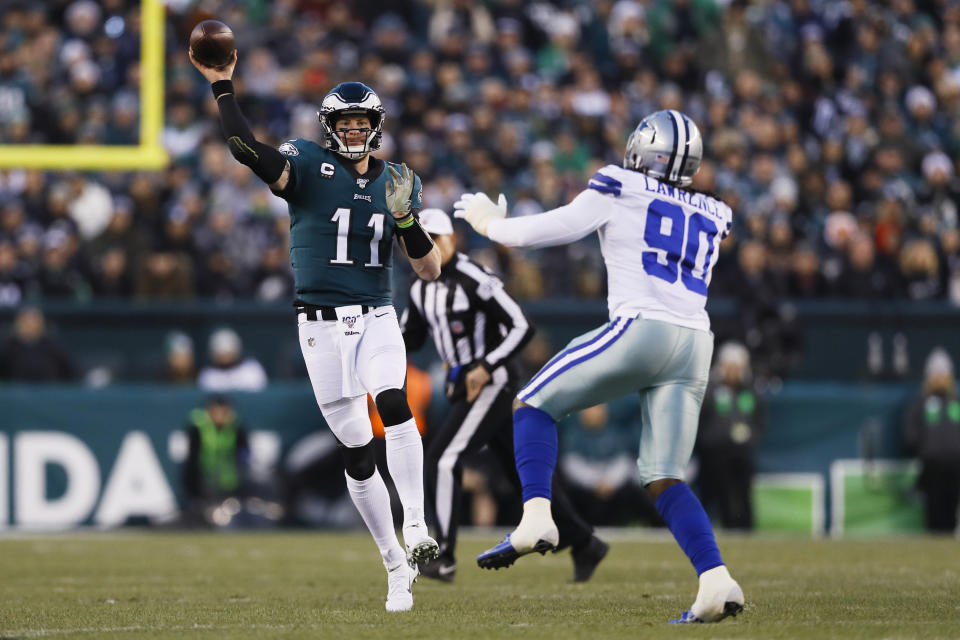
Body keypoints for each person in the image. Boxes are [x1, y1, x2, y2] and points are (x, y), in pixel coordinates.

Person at [455, 110, 744, 623]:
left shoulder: (621, 184)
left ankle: (537, 517)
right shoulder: (711, 210)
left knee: (531, 402)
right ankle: (716, 580)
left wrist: (492, 225)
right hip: (696, 341)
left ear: (643, 150)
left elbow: (547, 231)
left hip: (643, 329)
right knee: (664, 477)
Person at [191, 47, 442, 612]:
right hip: (320, 326)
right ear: (330, 128)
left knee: (395, 402)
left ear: (376, 127)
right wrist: (223, 85)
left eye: (362, 123)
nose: (355, 132)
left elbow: (429, 269)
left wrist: (406, 219)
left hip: (377, 315)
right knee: (356, 451)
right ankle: (395, 566)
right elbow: (243, 149)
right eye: (346, 123)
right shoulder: (306, 164)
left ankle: (420, 526)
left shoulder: (400, 180)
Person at [401, 209, 608, 584]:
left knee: (443, 459)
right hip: (467, 388)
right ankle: (584, 542)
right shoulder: (418, 288)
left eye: (436, 239)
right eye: (419, 240)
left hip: (494, 384)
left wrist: (484, 365)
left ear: (452, 240)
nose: (427, 247)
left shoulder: (474, 278)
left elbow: (521, 326)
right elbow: (409, 338)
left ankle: (444, 556)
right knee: (519, 474)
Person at [696, 341, 763, 531]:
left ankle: (747, 528)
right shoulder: (711, 391)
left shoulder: (751, 391)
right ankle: (725, 527)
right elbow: (703, 420)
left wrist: (751, 437)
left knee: (744, 493)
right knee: (720, 494)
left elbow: (759, 420)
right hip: (716, 454)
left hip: (743, 453)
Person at [904, 348, 960, 533]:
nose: (940, 378)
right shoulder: (920, 405)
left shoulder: (956, 403)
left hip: (956, 468)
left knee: (951, 511)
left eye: (944, 373)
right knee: (934, 511)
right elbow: (911, 435)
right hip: (932, 467)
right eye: (936, 373)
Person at [182, 394, 251, 524]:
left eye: (223, 411)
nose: (220, 415)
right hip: (205, 480)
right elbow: (191, 460)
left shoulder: (237, 429)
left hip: (231, 481)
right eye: (216, 410)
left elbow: (246, 456)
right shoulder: (198, 428)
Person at [0, 306, 76, 382]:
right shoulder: (8, 349)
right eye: (26, 322)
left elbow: (72, 373)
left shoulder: (53, 348)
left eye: (35, 321)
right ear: (18, 324)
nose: (30, 326)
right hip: (16, 392)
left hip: (49, 391)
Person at [197, 327, 268, 392]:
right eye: (221, 354)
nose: (225, 357)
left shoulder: (252, 369)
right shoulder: (208, 374)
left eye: (228, 352)